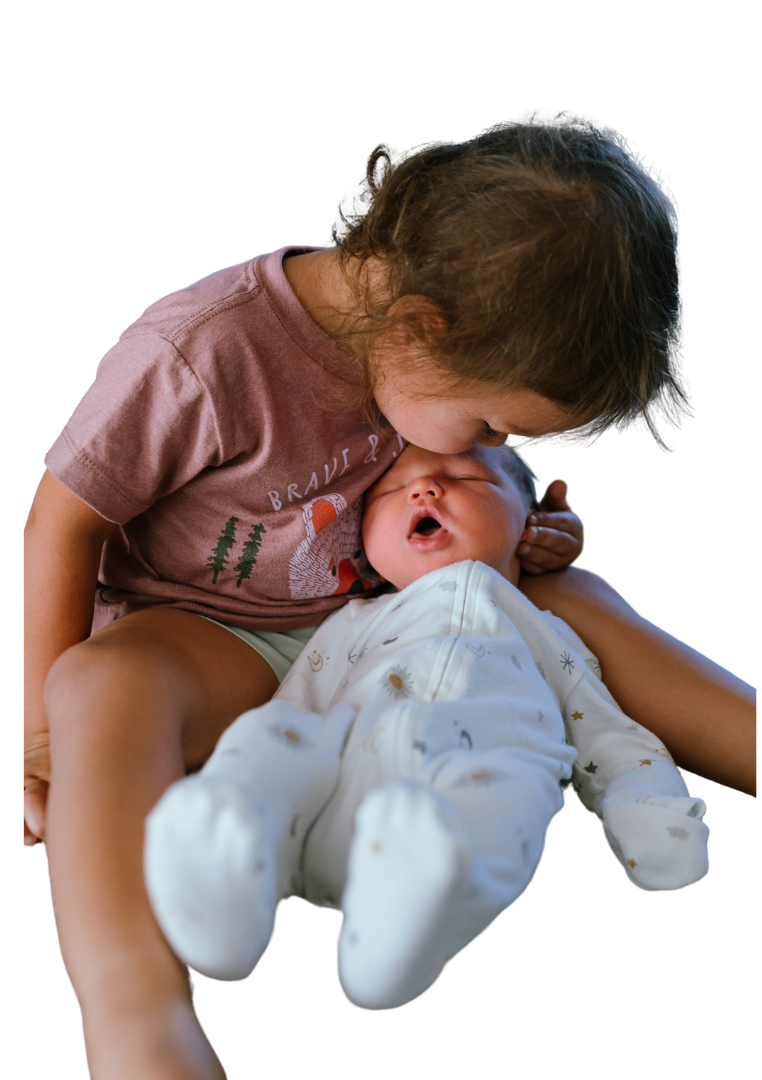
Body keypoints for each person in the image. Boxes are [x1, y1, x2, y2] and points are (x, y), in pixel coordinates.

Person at [23, 118, 754, 1079]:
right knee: (98, 685)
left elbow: (473, 488)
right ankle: (137, 1014)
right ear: (420, 326)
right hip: (205, 637)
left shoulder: (434, 349)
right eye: (490, 422)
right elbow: (60, 526)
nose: (494, 441)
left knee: (570, 596)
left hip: (386, 625)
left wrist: (537, 530)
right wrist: (42, 741)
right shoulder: (201, 354)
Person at [144, 443, 710, 1011]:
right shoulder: (352, 620)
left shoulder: (547, 633)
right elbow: (297, 706)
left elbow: (609, 737)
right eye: (391, 490)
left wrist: (648, 809)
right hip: (328, 803)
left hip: (457, 811)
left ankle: (400, 932)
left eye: (467, 477)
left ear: (531, 526)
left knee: (513, 787)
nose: (423, 488)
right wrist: (263, 765)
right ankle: (229, 878)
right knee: (274, 736)